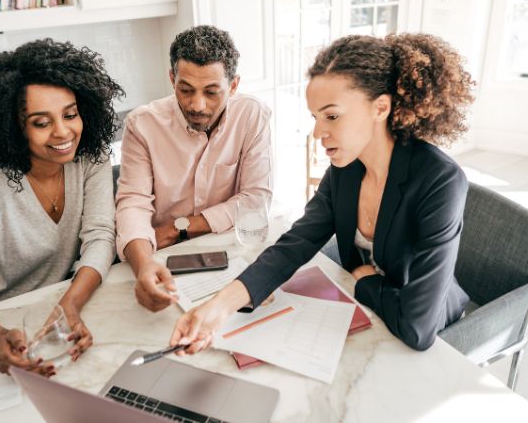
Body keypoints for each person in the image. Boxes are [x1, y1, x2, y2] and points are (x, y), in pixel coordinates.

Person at [170, 33, 475, 353]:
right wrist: (217, 308)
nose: (318, 133)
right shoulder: (347, 169)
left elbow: (418, 328)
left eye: (332, 116)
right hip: (373, 316)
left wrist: (364, 280)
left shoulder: (439, 181)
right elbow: (295, 243)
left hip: (435, 338)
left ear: (380, 108)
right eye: (315, 117)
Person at [0, 39, 124, 376]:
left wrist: (69, 305)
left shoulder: (90, 157)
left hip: (60, 306)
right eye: (42, 123)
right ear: (14, 128)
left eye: (70, 114)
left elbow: (100, 237)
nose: (63, 132)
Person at [116, 25, 273, 313]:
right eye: (185, 89)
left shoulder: (252, 115)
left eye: (212, 92)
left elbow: (255, 200)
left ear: (234, 86)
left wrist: (180, 228)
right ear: (172, 78)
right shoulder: (142, 125)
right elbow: (132, 204)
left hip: (229, 250)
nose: (197, 105)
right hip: (163, 257)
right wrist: (143, 268)